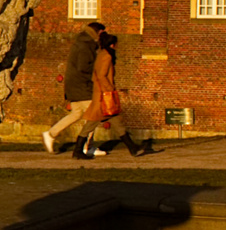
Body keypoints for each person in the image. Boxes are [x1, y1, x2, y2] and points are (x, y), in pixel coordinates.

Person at [75, 32, 150, 158]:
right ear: (112, 44)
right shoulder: (107, 56)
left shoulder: (101, 55)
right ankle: (77, 151)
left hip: (101, 95)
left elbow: (95, 75)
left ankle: (133, 148)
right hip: (103, 97)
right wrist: (109, 89)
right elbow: (101, 75)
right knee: (91, 124)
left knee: (117, 122)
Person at [42, 21, 104, 155]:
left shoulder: (81, 43)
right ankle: (87, 146)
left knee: (77, 114)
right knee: (93, 115)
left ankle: (52, 133)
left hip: (73, 85)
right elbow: (83, 67)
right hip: (82, 85)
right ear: (97, 32)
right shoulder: (86, 45)